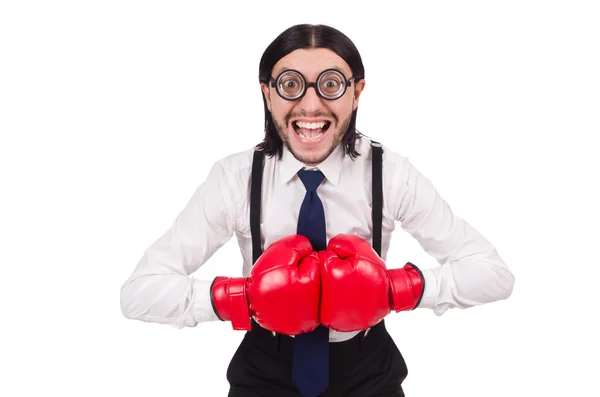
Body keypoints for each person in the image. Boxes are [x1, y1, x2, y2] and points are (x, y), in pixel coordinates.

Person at [120, 23, 515, 397]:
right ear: (268, 94)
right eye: (291, 85)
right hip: (264, 373)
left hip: (369, 374)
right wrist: (242, 298)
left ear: (356, 93)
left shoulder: (390, 174)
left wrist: (398, 291)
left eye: (330, 84)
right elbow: (139, 292)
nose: (310, 105)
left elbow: (493, 274)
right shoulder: (234, 178)